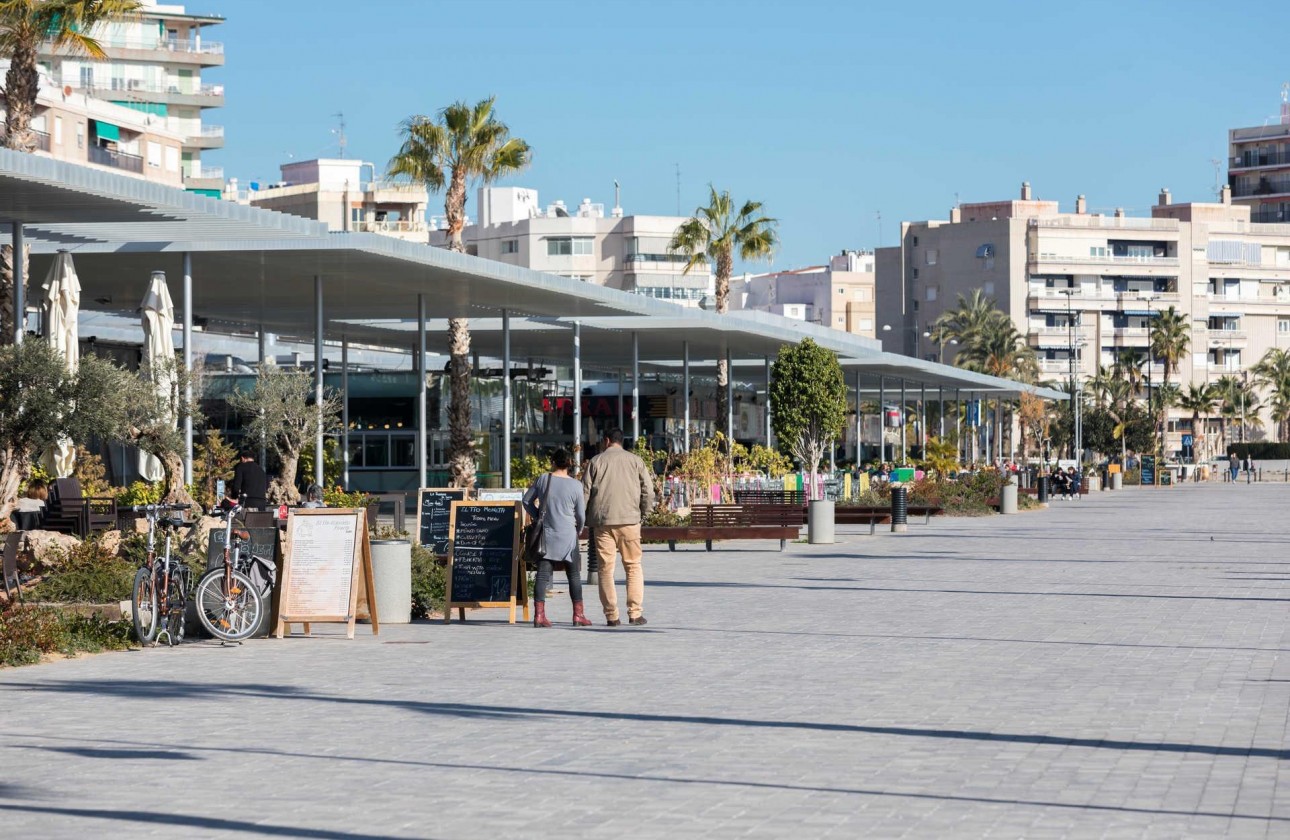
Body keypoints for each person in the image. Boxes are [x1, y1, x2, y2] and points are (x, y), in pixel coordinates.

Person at [582, 428, 656, 627]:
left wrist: (582, 519)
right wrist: (643, 514)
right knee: (633, 566)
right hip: (630, 521)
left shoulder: (596, 462)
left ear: (606, 440)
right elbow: (648, 491)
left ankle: (611, 616)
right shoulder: (635, 461)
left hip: (602, 522)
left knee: (606, 569)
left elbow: (584, 493)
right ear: (620, 441)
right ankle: (635, 613)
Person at [522, 449, 590, 628]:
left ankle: (539, 615)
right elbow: (581, 515)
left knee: (543, 574)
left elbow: (526, 501)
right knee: (573, 575)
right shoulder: (576, 485)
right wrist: (578, 529)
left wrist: (537, 517)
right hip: (568, 536)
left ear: (553, 462)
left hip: (548, 535)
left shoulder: (544, 479)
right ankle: (578, 615)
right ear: (569, 464)